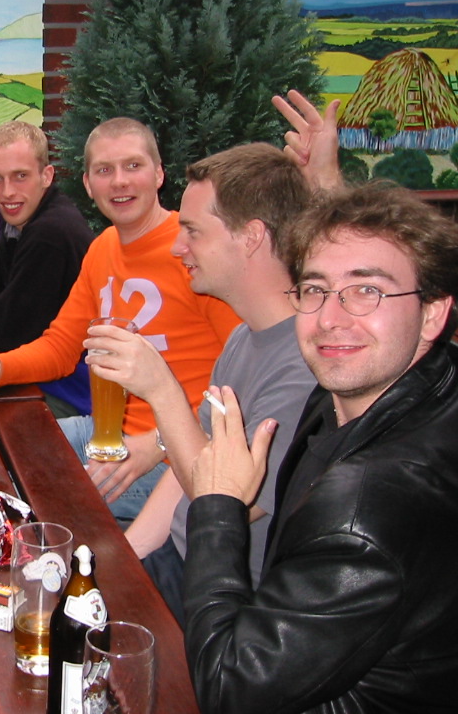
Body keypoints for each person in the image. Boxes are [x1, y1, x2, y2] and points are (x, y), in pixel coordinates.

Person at [183, 182, 458, 712]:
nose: (330, 318)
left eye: (366, 290)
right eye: (315, 289)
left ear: (432, 314)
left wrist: (217, 504)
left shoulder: (366, 510)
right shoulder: (352, 391)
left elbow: (227, 689)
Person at [86, 141, 319, 623]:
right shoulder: (244, 338)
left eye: (192, 231)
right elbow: (186, 463)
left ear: (251, 236)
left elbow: (228, 507)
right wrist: (127, 559)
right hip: (178, 560)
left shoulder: (305, 368)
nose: (177, 246)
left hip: (224, 602)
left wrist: (161, 388)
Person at [0, 118, 240, 520]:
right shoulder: (103, 249)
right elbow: (61, 346)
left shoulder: (193, 251)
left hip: (179, 457)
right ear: (88, 184)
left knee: (38, 496)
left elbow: (247, 376)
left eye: (133, 166)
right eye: (104, 170)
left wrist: (161, 441)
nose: (119, 182)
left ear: (159, 174)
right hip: (109, 431)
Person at [0, 120, 95, 416]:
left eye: (21, 176)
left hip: (73, 390)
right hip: (36, 371)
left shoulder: (50, 233)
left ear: (46, 176)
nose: (7, 192)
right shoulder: (21, 214)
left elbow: (11, 334)